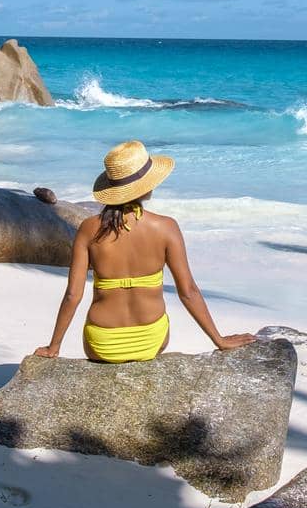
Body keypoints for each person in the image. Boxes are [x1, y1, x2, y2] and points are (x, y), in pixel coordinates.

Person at [34, 139, 256, 363]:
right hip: (151, 339)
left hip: (102, 344)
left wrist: (54, 346)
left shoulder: (89, 229)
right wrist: (219, 340)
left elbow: (73, 295)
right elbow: (188, 291)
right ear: (147, 185)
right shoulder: (166, 227)